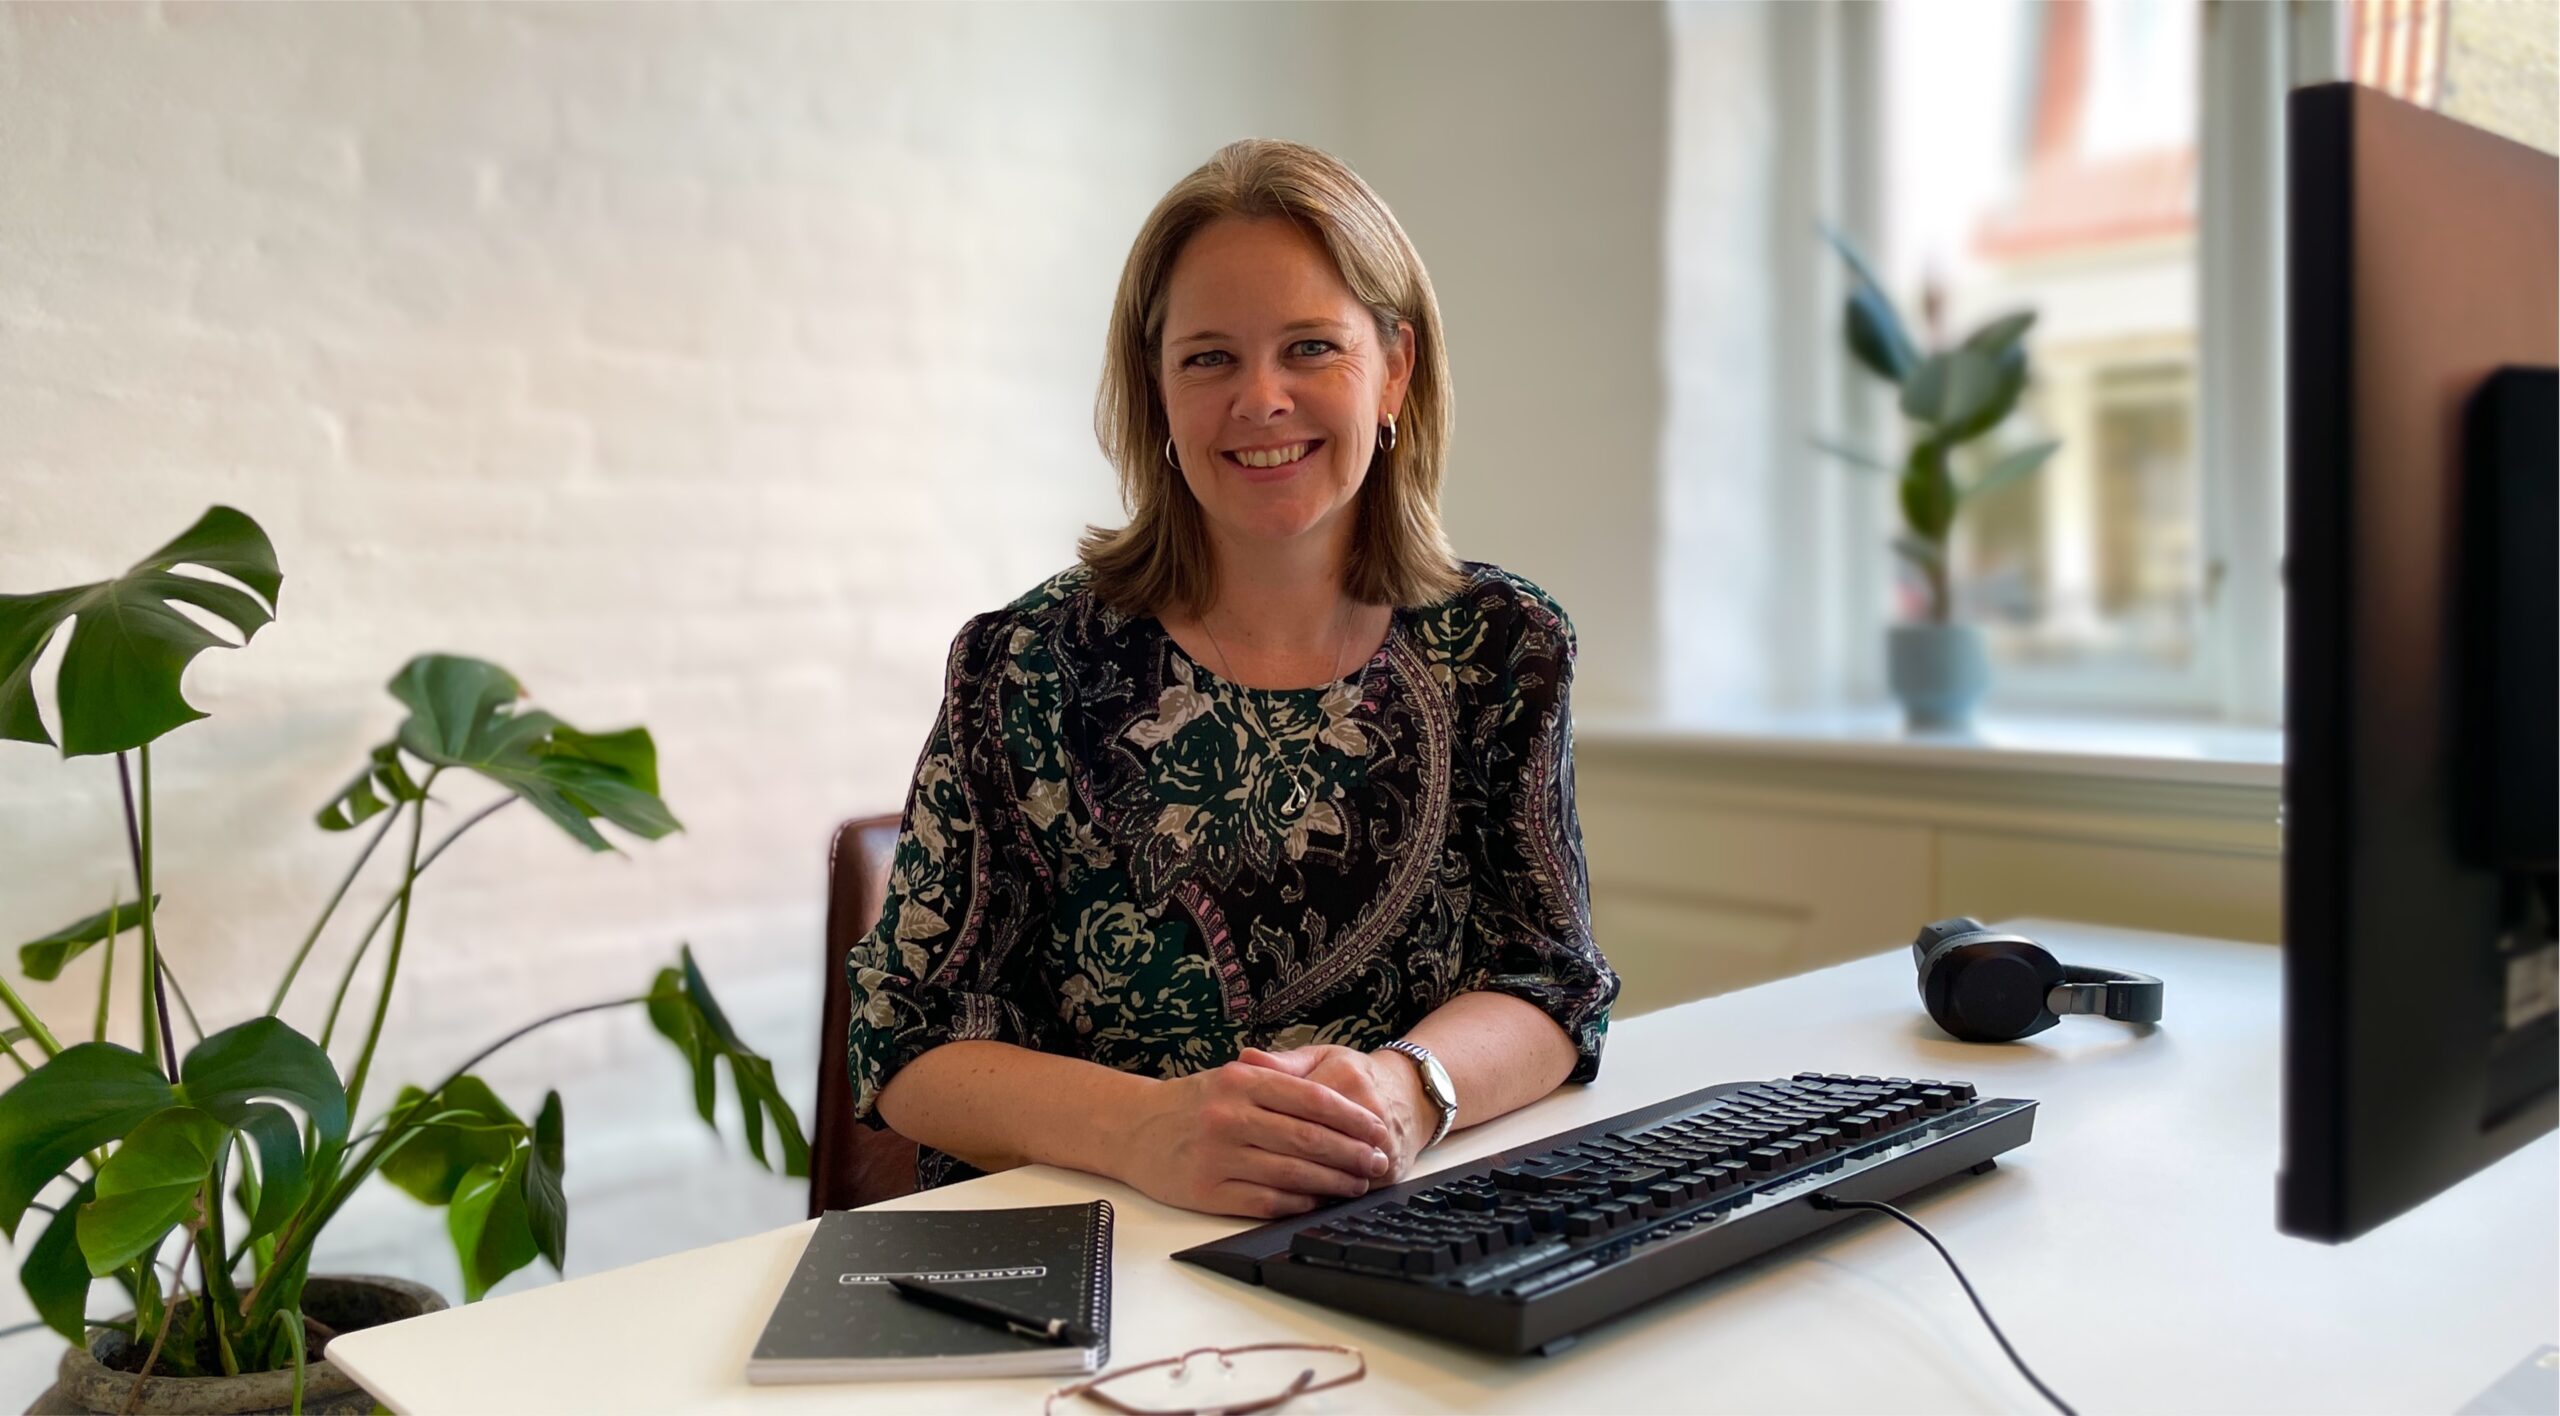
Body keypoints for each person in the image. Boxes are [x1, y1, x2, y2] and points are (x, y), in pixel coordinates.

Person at [845, 138, 1618, 1220]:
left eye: (1310, 347)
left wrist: (1407, 1091)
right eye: (1209, 358)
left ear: (1393, 366)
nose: (1262, 399)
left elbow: (1555, 979)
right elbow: (904, 1035)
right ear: (1155, 389)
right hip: (1089, 1251)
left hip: (1403, 1226)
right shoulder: (1024, 665)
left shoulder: (1504, 646)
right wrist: (1143, 1131)